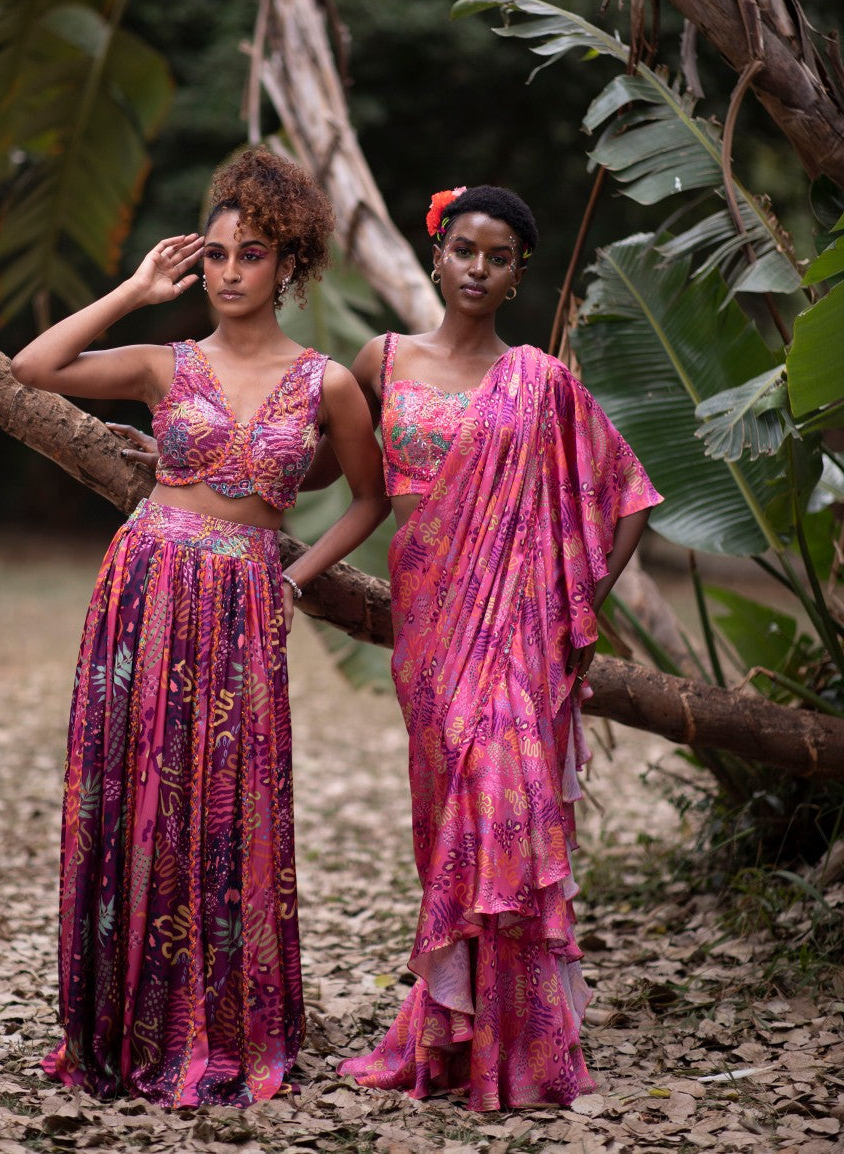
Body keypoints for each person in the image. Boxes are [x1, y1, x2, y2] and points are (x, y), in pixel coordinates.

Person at [10, 146, 388, 1108]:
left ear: (287, 266)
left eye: (249, 254)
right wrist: (136, 290)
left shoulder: (326, 384)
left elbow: (368, 496)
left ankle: (218, 1027)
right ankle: (121, 1021)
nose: (226, 272)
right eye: (213, 254)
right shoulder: (162, 364)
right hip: (144, 589)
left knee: (227, 809)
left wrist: (295, 579)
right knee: (135, 797)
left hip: (243, 609)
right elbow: (32, 367)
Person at [334, 184, 663, 1112]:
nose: (478, 268)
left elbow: (627, 489)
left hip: (520, 640)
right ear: (436, 253)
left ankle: (519, 1046)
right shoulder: (382, 360)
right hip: (431, 634)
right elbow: (327, 455)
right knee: (455, 825)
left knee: (507, 810)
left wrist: (573, 608)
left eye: (500, 257)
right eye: (465, 250)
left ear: (518, 275)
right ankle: (452, 1035)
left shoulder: (542, 381)